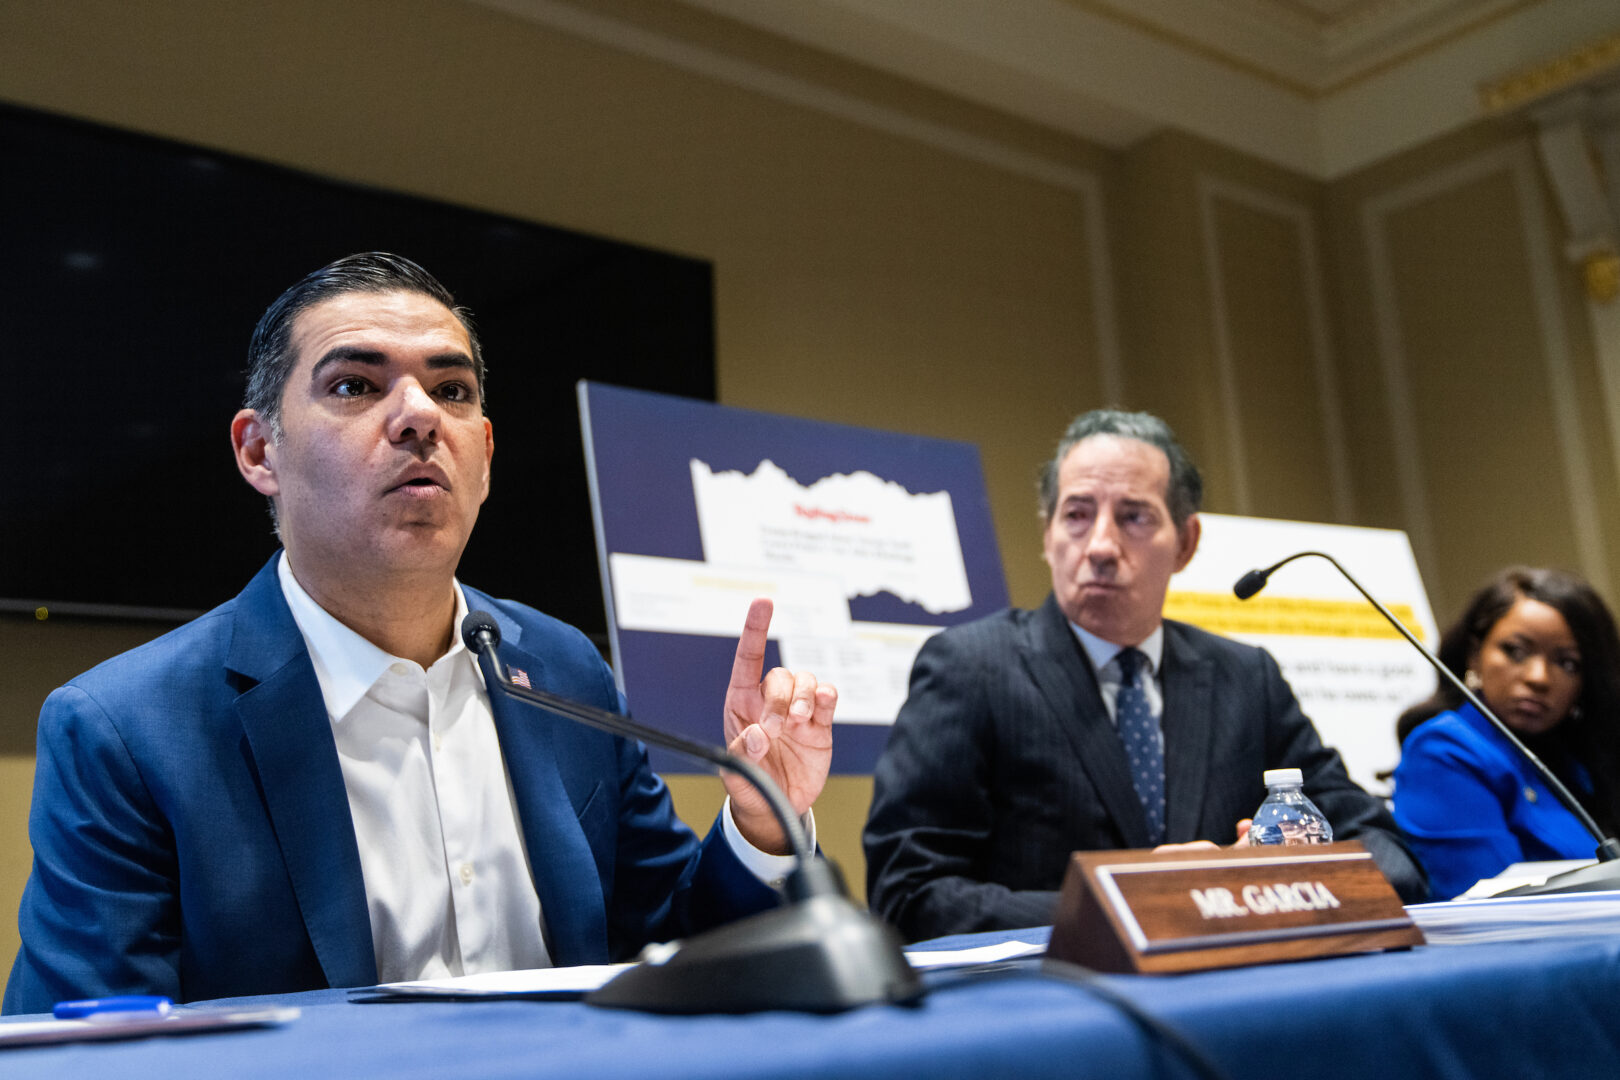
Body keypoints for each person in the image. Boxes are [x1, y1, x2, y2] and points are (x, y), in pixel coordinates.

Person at [4, 253, 836, 1014]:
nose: (418, 417)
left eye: (454, 391)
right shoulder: (125, 728)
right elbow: (84, 1050)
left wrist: (763, 824)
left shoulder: (564, 670)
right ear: (260, 451)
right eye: (355, 387)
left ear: (485, 452)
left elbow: (672, 949)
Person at [863, 408, 1426, 942]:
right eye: (1077, 515)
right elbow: (909, 892)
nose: (1101, 546)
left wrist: (1269, 877)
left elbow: (1389, 856)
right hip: (1055, 1008)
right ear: (1047, 534)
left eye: (1133, 517)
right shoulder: (971, 667)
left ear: (1186, 543)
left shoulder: (1244, 679)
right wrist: (1144, 898)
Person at [1391, 567, 1620, 900]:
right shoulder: (1444, 751)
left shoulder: (1580, 758)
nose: (1539, 678)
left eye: (1567, 663)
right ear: (1475, 654)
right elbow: (1492, 907)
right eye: (1515, 651)